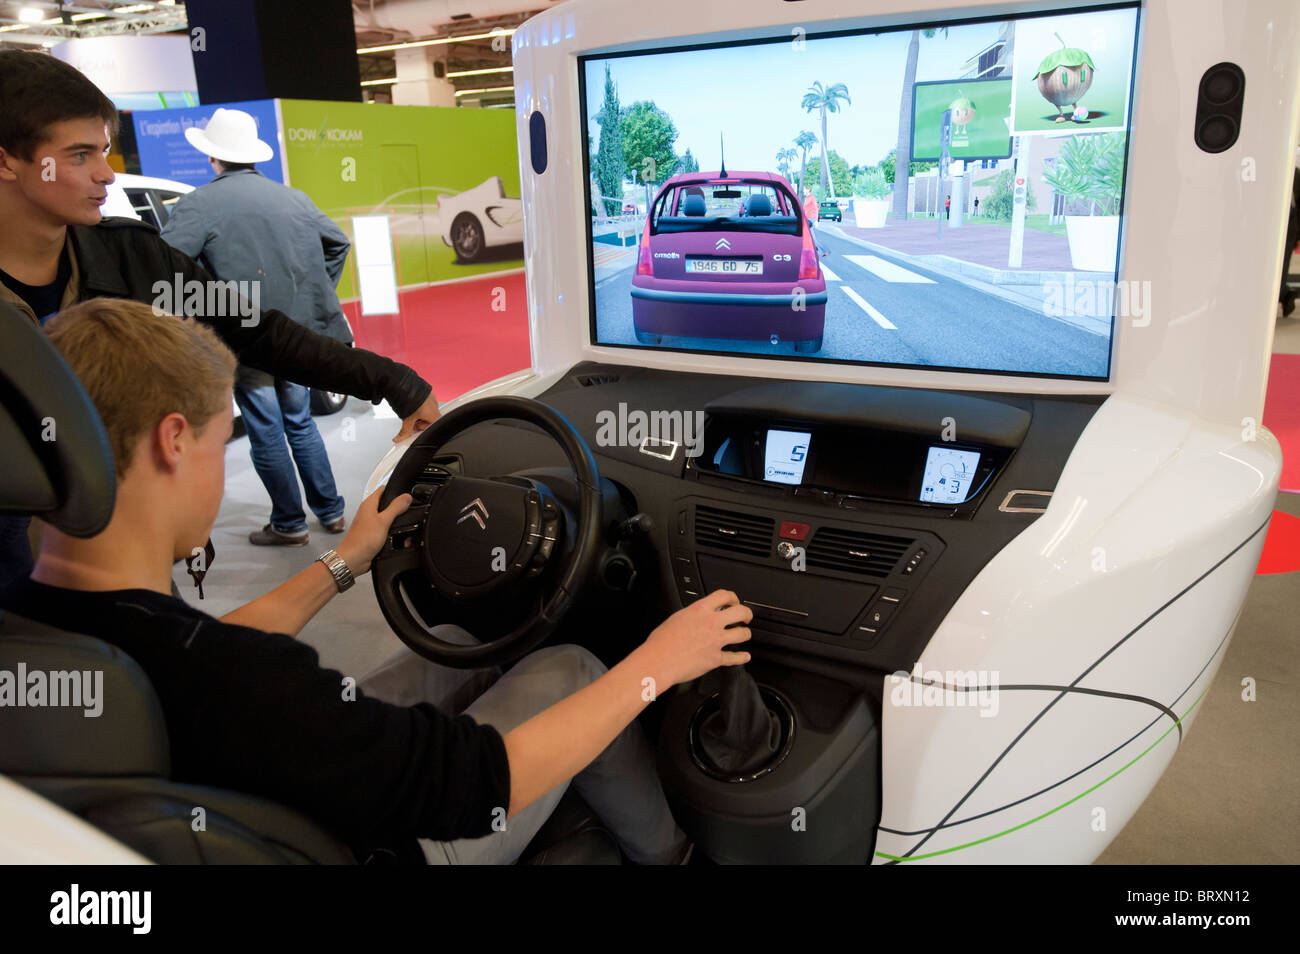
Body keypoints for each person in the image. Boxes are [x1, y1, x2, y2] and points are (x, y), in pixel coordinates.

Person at [1, 297, 754, 863]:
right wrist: (661, 664)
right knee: (577, 668)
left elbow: (194, 650)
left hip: (258, 793)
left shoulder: (41, 622)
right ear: (172, 441)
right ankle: (677, 857)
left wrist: (345, 562)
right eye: (217, 434)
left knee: (461, 638)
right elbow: (480, 785)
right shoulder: (251, 686)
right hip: (386, 845)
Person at [0, 51, 440, 587]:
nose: (105, 174)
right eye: (79, 155)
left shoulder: (132, 259)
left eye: (105, 151)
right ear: (7, 162)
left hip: (123, 552)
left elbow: (257, 332)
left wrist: (394, 381)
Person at [160, 108, 352, 546]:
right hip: (296, 334)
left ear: (213, 158)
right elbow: (338, 243)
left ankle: (289, 523)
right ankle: (333, 512)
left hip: (245, 335)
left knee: (266, 429)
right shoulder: (293, 198)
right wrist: (310, 295)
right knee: (300, 423)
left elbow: (165, 265)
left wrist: (199, 307)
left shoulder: (200, 204)